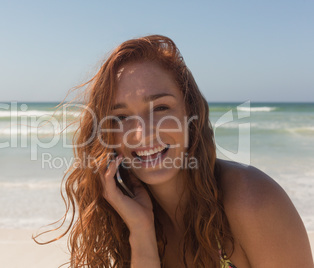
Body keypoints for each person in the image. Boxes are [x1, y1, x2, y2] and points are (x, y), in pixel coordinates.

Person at [34, 35, 313, 267]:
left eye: (161, 108)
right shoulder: (132, 221)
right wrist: (142, 233)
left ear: (190, 113)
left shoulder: (250, 199)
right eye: (120, 118)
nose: (142, 133)